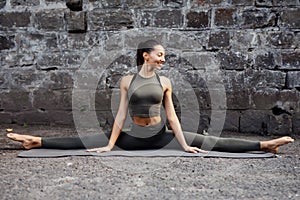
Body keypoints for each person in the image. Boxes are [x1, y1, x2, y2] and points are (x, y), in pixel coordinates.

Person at [7, 39, 294, 154]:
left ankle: (263, 145)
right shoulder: (126, 80)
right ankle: (36, 140)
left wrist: (183, 144)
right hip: (133, 137)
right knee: (88, 139)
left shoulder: (166, 81)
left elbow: (172, 116)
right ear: (146, 55)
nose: (163, 59)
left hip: (161, 135)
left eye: (164, 56)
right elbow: (120, 114)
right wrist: (110, 145)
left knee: (205, 141)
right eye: (160, 55)